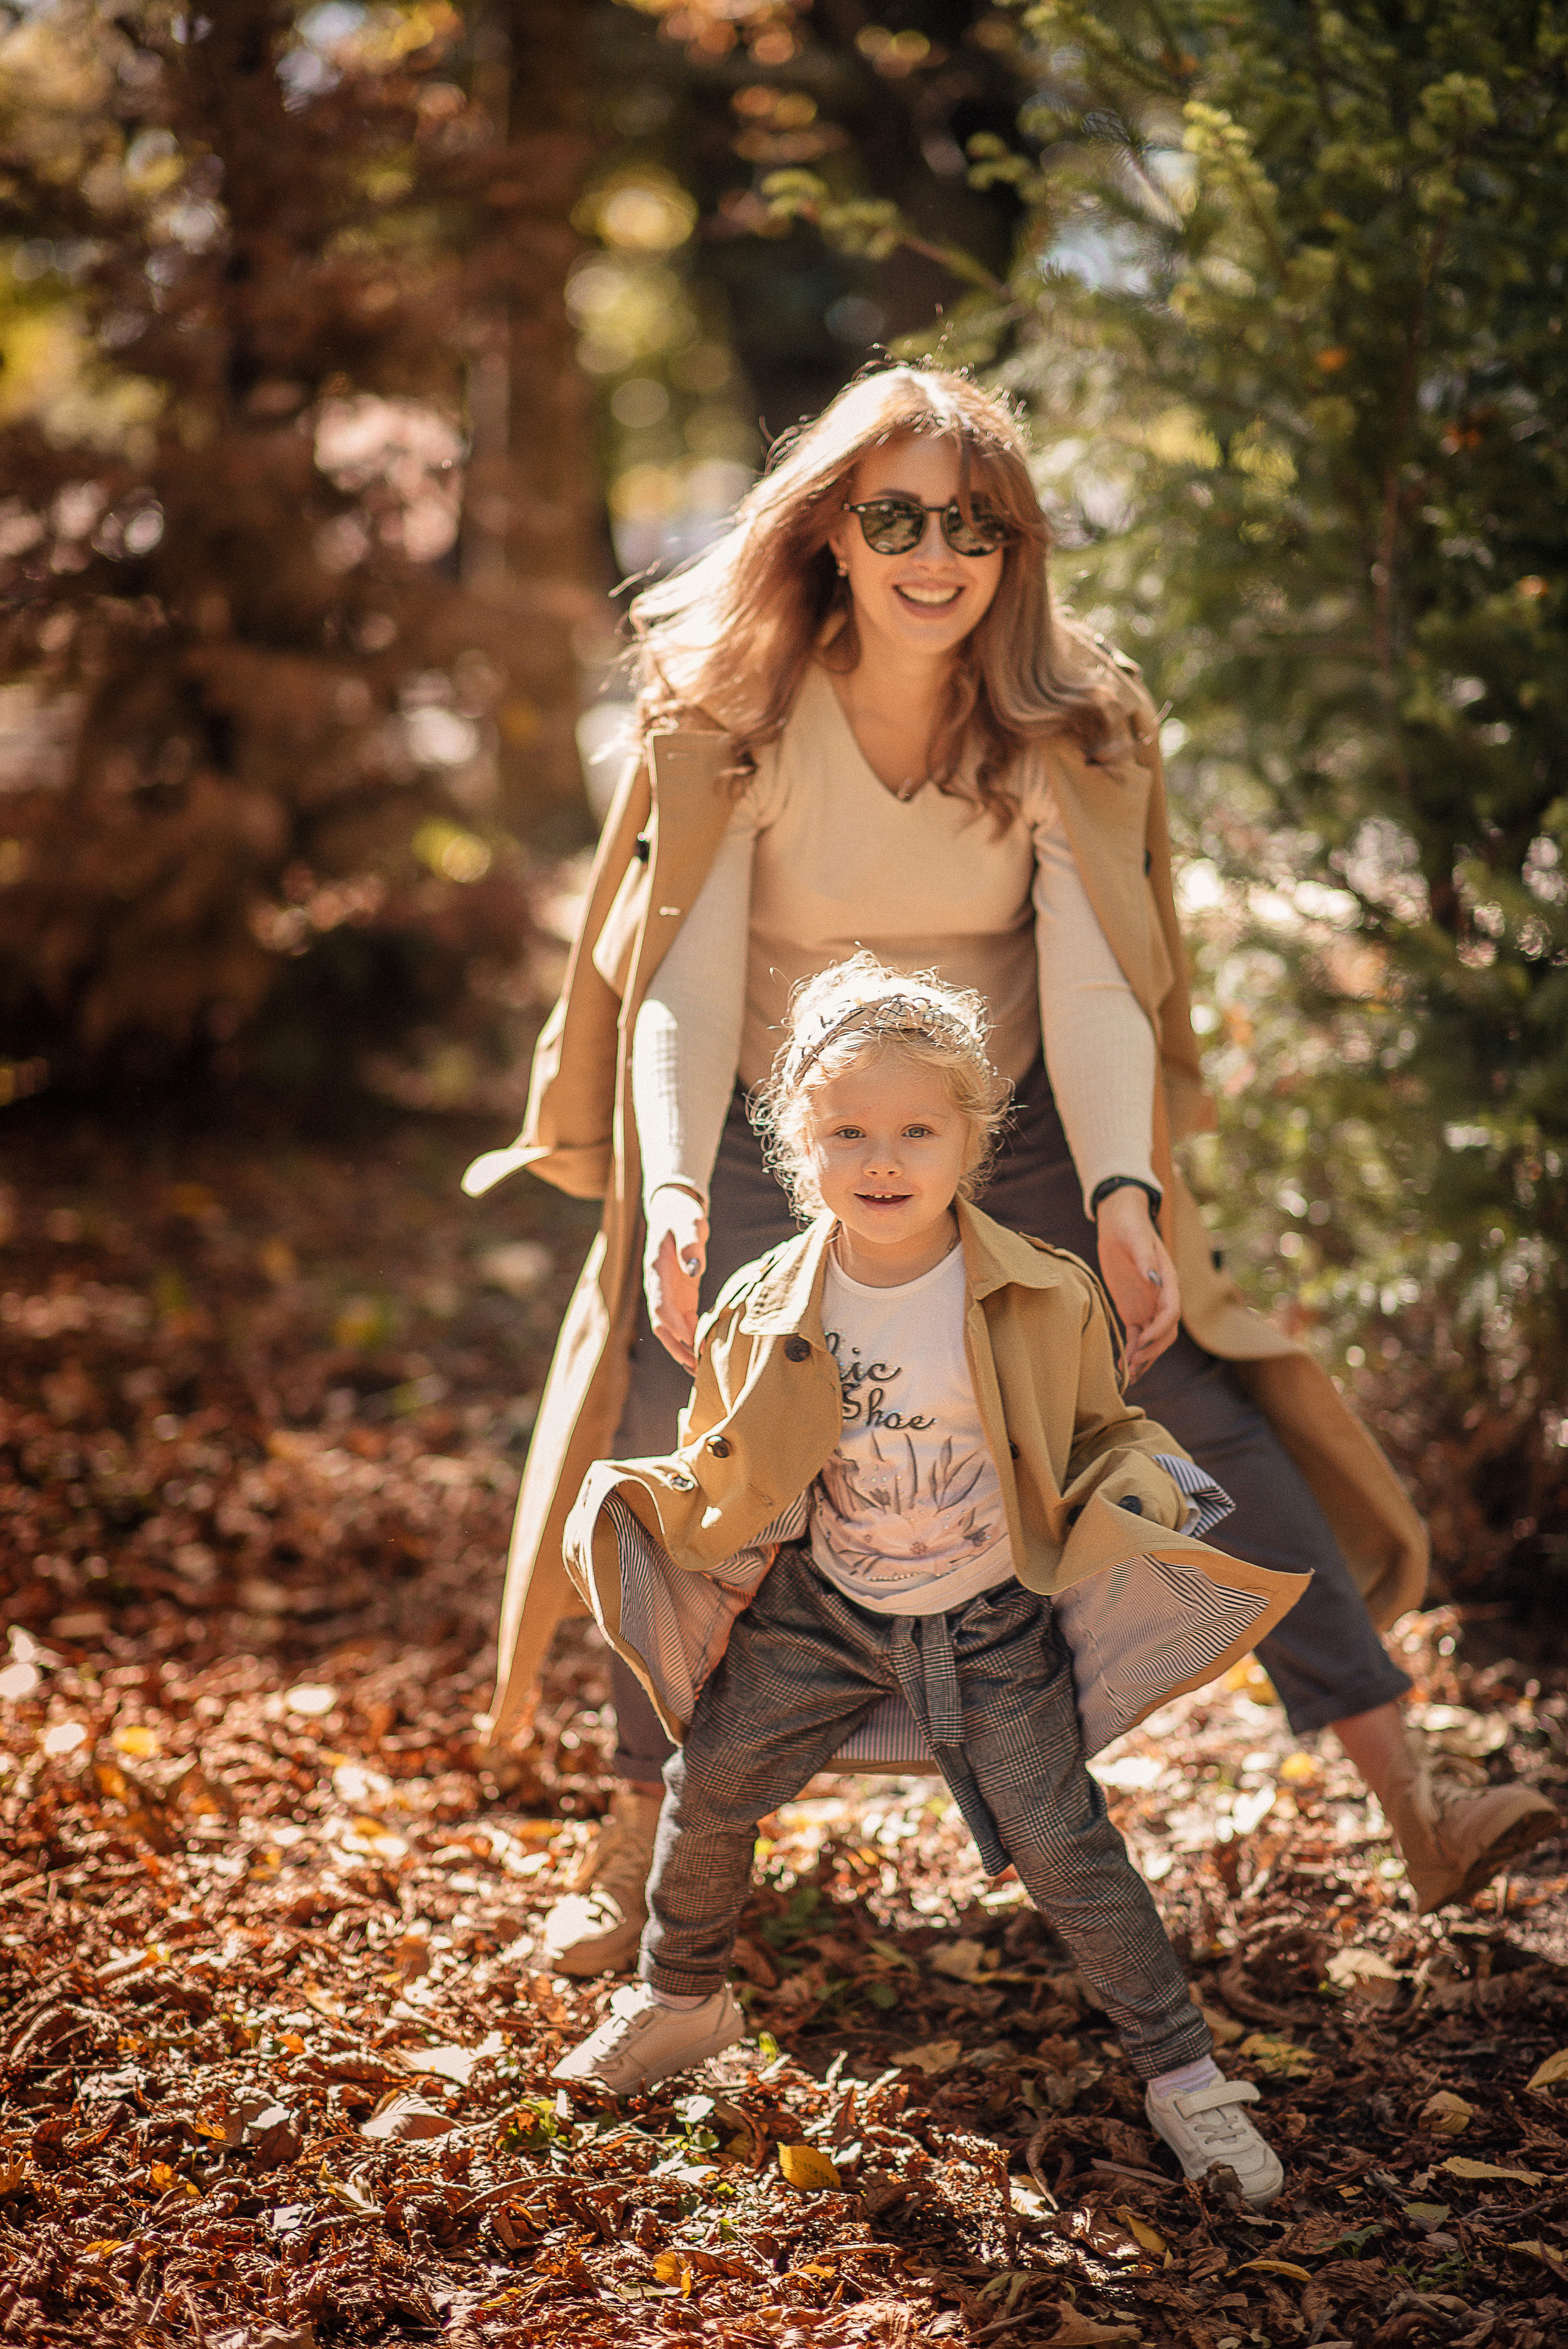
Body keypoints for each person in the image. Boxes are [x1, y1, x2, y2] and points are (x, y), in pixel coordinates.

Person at [462, 364, 1558, 1969]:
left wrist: (1123, 1200)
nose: (936, 553)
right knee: (671, 1425)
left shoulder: (1064, 717)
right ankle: (639, 1844)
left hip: (1014, 1120)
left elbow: (1099, 979)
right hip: (780, 1118)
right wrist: (682, 1190)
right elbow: (678, 979)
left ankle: (1418, 1801)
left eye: (974, 522)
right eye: (896, 514)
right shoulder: (731, 708)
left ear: (1014, 546)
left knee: (1189, 1401)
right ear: (831, 531)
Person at [551, 958, 1294, 2207]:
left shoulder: (1039, 1294)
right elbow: (725, 1459)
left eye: (913, 1128)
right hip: (820, 1608)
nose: (880, 1157)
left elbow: (1094, 1434)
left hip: (991, 1614)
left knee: (1061, 1843)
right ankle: (680, 1999)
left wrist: (1137, 1493)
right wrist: (657, 1507)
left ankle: (1185, 2079)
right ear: (797, 1145)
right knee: (709, 1778)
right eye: (845, 1130)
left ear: (968, 1139)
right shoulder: (756, 1304)